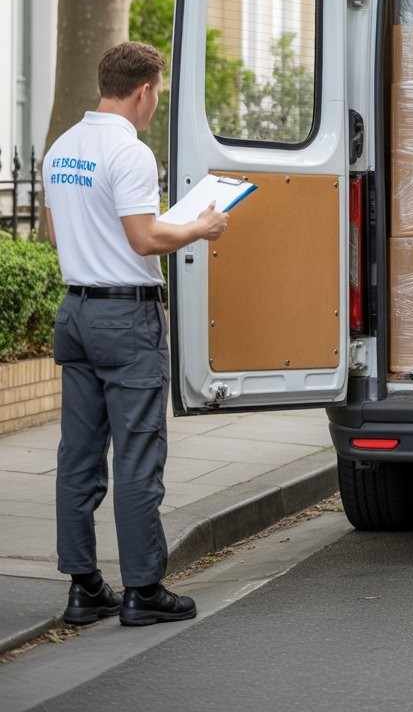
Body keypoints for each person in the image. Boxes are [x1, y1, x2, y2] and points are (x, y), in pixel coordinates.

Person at [44, 41, 230, 628]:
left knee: (77, 456)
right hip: (126, 320)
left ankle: (83, 588)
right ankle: (144, 590)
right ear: (145, 89)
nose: (155, 105)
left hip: (75, 313)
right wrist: (201, 225)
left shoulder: (62, 148)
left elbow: (63, 232)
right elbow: (143, 240)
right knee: (137, 459)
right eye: (159, 94)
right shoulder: (130, 153)